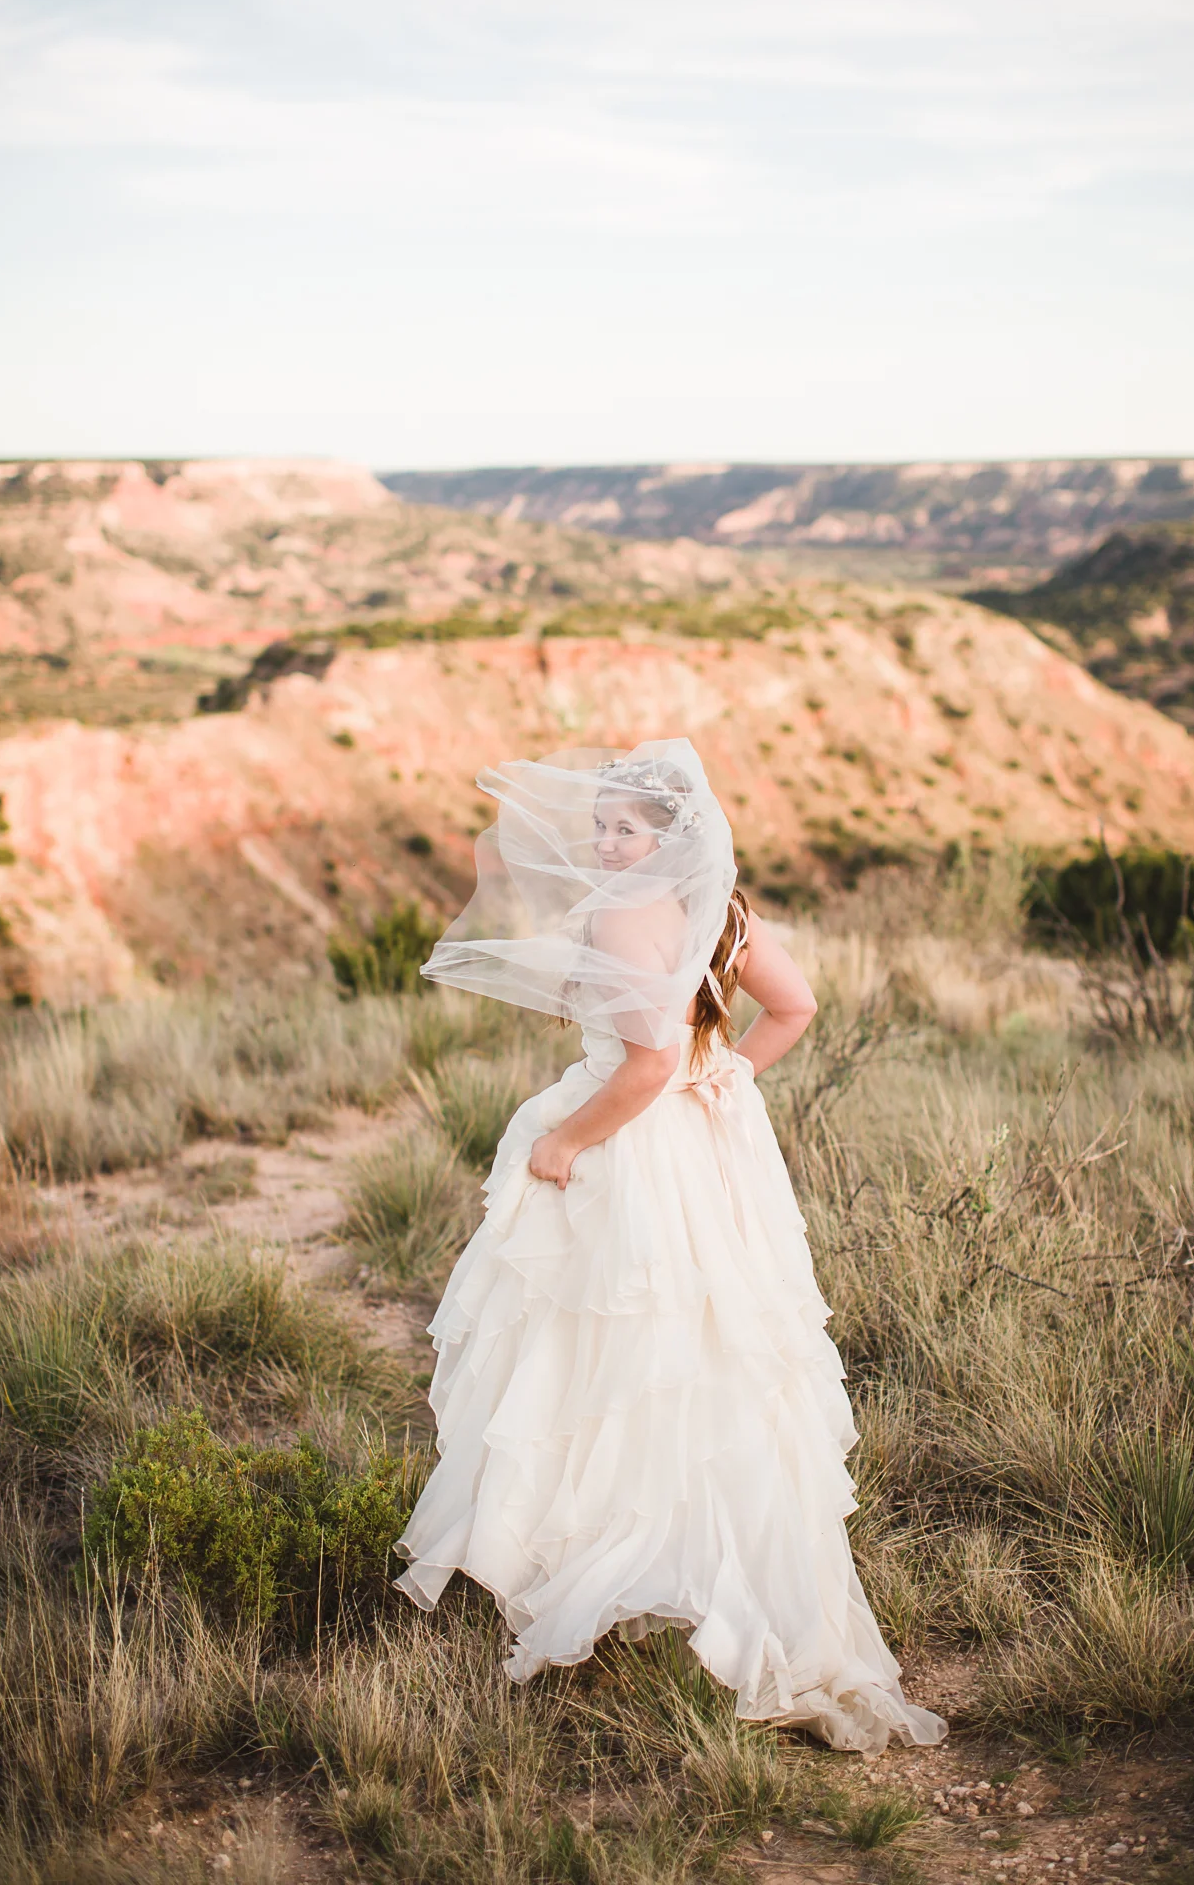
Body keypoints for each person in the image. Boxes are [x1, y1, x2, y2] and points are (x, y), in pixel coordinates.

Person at [396, 739, 946, 1756]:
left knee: (601, 1352)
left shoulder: (621, 910)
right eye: (601, 825)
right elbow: (795, 1006)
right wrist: (724, 1075)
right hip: (701, 1151)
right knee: (690, 1351)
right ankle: (692, 1574)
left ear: (668, 833)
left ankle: (610, 1564)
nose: (606, 842)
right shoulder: (719, 906)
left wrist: (566, 1137)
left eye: (627, 828)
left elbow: (645, 1064)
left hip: (626, 1147)